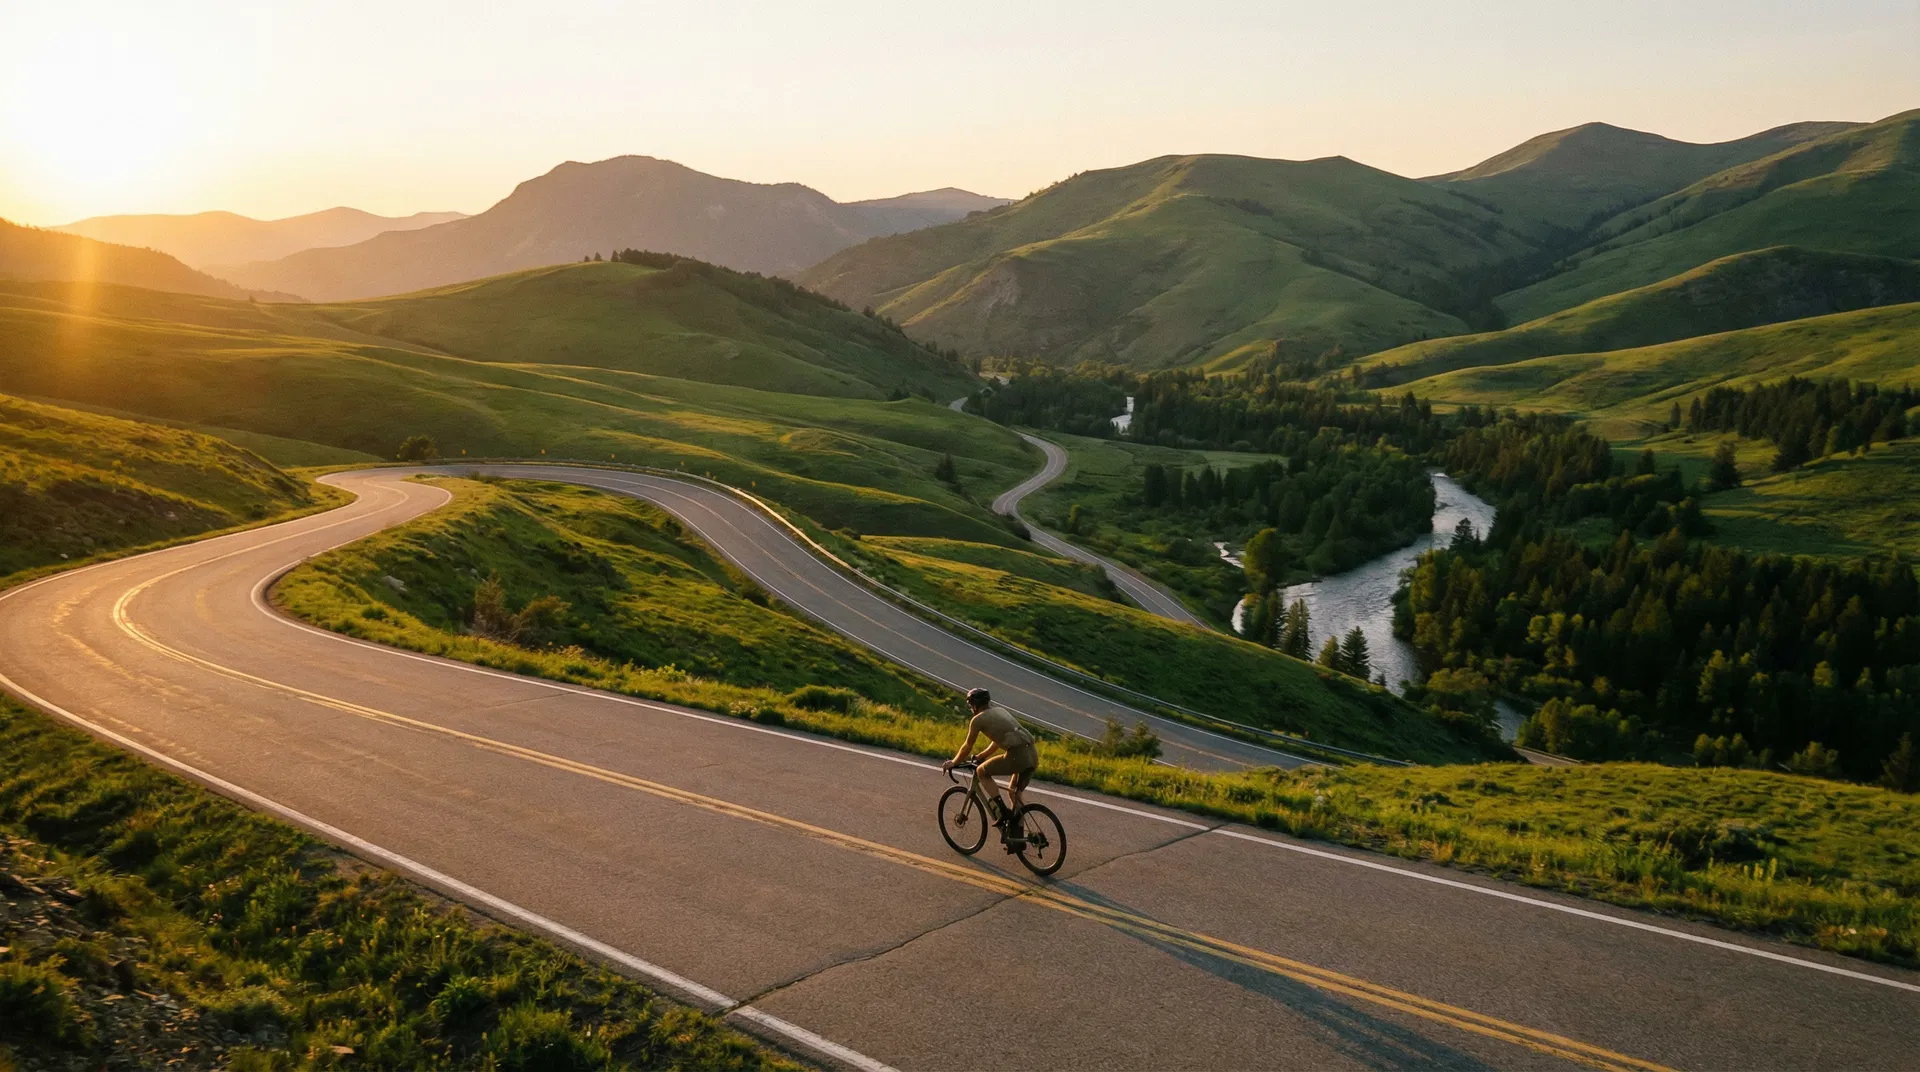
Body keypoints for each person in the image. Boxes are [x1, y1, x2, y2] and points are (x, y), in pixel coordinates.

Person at [942, 688, 1038, 839]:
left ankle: (1002, 811)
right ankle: (1018, 838)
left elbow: (968, 746)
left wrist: (953, 762)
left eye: (970, 705)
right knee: (1015, 792)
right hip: (1032, 754)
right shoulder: (1000, 710)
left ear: (974, 705)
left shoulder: (978, 719)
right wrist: (982, 755)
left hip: (1017, 756)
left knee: (981, 771)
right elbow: (997, 741)